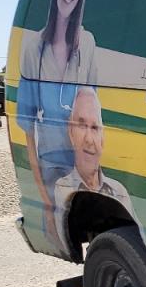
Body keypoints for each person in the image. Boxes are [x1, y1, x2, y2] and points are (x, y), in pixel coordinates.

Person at [18, 0, 98, 252]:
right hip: (50, 169)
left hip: (83, 168)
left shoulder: (88, 44)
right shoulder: (32, 48)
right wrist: (46, 203)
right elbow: (27, 131)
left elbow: (94, 114)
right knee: (57, 238)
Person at [53, 87, 135, 249]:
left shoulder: (119, 190)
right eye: (82, 126)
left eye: (95, 128)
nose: (89, 139)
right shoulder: (63, 189)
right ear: (70, 132)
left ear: (102, 138)